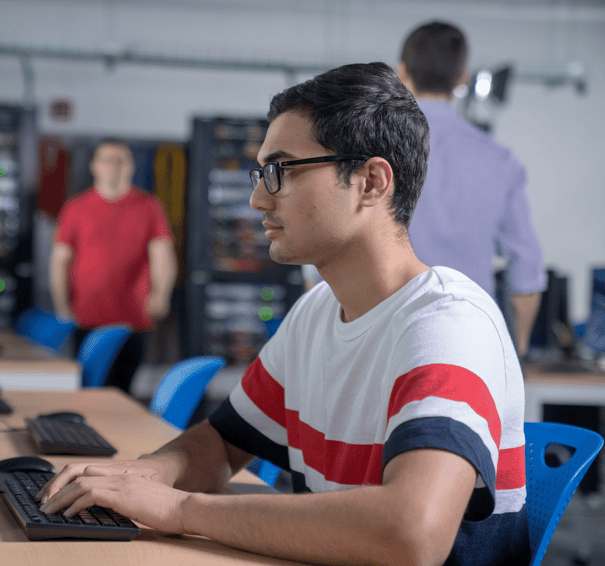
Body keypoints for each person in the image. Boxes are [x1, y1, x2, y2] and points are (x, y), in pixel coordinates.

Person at [38, 63, 529, 566]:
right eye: (260, 174)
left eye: (282, 171)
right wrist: (142, 478)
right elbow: (223, 443)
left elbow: (411, 534)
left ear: (371, 182)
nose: (257, 198)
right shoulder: (317, 311)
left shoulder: (448, 324)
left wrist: (180, 508)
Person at [399, 21, 546, 357]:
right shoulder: (500, 160)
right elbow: (526, 267)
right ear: (462, 76)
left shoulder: (373, 150)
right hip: (473, 344)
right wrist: (517, 347)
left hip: (390, 338)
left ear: (401, 72)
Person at [49, 139, 177, 393]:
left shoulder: (149, 206)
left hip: (133, 316)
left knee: (122, 391)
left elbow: (162, 256)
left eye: (120, 160)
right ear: (94, 166)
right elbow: (59, 261)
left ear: (131, 166)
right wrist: (61, 305)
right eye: (106, 160)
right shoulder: (75, 207)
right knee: (87, 389)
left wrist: (161, 295)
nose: (113, 166)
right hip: (86, 316)